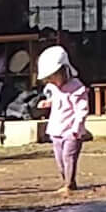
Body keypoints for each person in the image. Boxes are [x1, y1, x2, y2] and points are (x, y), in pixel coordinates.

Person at [35, 44, 90, 193]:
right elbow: (57, 100)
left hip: (71, 130)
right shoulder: (54, 88)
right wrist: (48, 103)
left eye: (54, 78)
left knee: (68, 157)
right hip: (56, 128)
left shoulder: (76, 87)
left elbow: (81, 110)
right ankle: (65, 180)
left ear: (64, 71)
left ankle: (69, 183)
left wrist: (77, 128)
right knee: (59, 159)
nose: (52, 82)